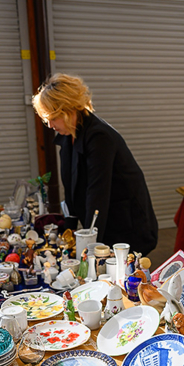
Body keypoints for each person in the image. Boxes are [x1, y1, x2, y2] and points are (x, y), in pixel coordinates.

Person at [32, 73, 158, 256]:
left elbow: (97, 192)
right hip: (105, 220)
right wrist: (69, 232)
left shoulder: (99, 137)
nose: (49, 125)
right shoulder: (68, 136)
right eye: (46, 119)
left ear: (69, 109)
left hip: (126, 223)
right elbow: (70, 188)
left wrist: (89, 246)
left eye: (53, 117)